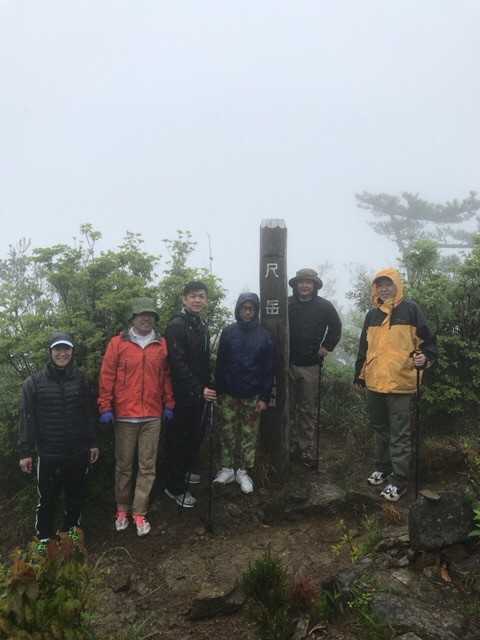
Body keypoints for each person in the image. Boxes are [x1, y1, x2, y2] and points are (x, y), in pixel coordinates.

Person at [354, 268, 436, 502]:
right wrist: (359, 375)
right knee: (380, 428)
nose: (384, 289)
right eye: (379, 285)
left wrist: (425, 358)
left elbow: (428, 342)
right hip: (374, 383)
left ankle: (399, 480)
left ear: (397, 285)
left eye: (388, 284)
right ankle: (383, 467)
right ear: (375, 288)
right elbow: (364, 348)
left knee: (399, 433)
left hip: (401, 382)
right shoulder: (372, 315)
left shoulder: (411, 310)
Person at [98, 298, 174, 536]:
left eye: (150, 315)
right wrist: (105, 406)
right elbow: (107, 375)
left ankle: (139, 512)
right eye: (141, 314)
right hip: (124, 416)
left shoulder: (161, 344)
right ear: (132, 318)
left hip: (152, 416)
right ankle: (122, 509)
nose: (146, 319)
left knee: (147, 467)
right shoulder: (117, 343)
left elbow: (166, 376)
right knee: (123, 466)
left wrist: (169, 403)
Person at [18, 332, 99, 546]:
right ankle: (44, 540)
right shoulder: (33, 383)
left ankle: (70, 535)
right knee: (47, 499)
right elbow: (27, 419)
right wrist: (25, 452)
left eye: (66, 349)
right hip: (49, 453)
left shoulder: (82, 379)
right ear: (50, 352)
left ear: (72, 352)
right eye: (57, 349)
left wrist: (92, 443)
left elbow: (89, 414)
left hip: (78, 451)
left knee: (75, 495)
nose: (62, 353)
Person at [163, 281, 216, 508]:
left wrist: (208, 384)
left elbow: (202, 361)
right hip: (181, 393)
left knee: (194, 435)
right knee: (178, 439)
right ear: (184, 299)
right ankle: (174, 487)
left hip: (198, 393)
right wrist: (198, 388)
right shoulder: (177, 325)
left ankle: (183, 472)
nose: (197, 300)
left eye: (201, 296)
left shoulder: (200, 324)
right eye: (193, 296)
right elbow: (177, 363)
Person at [214, 293, 274, 494]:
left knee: (249, 434)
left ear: (256, 311)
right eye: (244, 308)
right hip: (228, 393)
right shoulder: (228, 332)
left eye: (251, 309)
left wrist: (264, 397)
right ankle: (226, 469)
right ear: (238, 310)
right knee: (227, 431)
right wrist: (218, 390)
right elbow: (220, 363)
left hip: (253, 394)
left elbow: (268, 369)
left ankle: (243, 471)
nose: (247, 312)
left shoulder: (264, 335)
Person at [288, 268, 342, 466]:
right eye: (301, 282)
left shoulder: (324, 306)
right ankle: (289, 447)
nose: (304, 286)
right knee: (287, 408)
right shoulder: (287, 304)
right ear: (295, 285)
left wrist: (326, 347)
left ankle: (306, 450)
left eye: (308, 282)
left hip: (310, 366)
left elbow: (336, 327)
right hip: (286, 364)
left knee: (307, 409)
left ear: (314, 285)